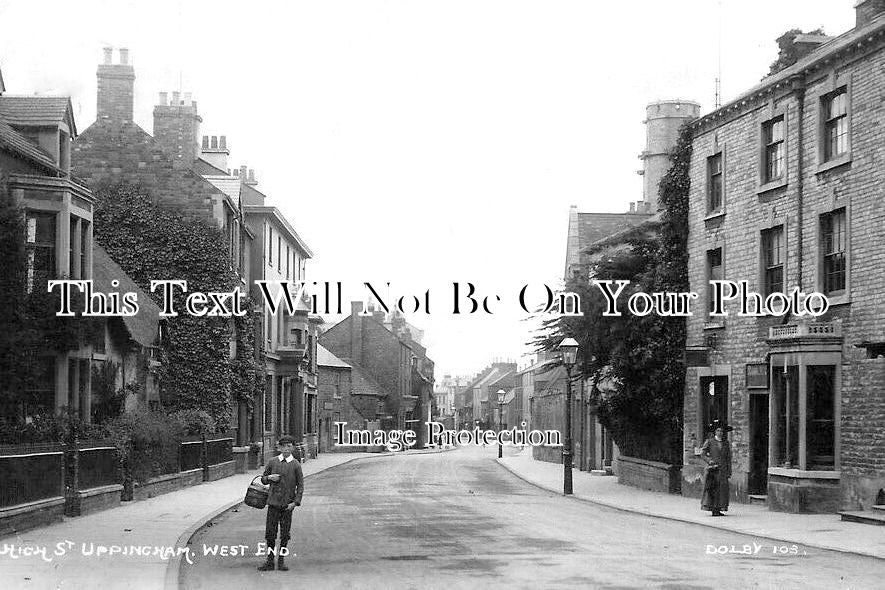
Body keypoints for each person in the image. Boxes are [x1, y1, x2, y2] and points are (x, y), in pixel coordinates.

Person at [258, 435, 304, 571]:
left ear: (293, 448)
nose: (286, 449)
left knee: (285, 534)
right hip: (273, 503)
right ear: (279, 448)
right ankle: (270, 561)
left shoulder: (296, 465)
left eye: (289, 446)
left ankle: (281, 561)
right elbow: (263, 480)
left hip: (287, 505)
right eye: (283, 446)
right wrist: (269, 477)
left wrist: (295, 503)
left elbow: (300, 486)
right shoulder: (272, 462)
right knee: (270, 534)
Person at [700, 421, 732, 517]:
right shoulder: (710, 441)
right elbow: (703, 454)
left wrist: (729, 470)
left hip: (722, 470)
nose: (720, 433)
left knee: (722, 490)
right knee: (712, 489)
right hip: (713, 470)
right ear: (715, 432)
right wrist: (709, 461)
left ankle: (719, 508)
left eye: (721, 431)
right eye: (718, 431)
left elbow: (728, 458)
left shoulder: (726, 443)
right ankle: (713, 508)